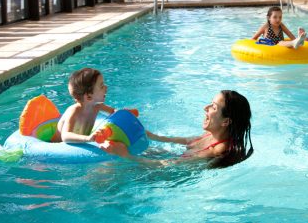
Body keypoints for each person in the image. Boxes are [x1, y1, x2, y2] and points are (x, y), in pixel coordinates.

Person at [100, 90, 254, 169]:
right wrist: (154, 136)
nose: (205, 108)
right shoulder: (212, 132)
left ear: (226, 121)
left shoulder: (218, 150)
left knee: (111, 169)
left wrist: (127, 157)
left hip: (170, 175)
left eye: (213, 107)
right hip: (177, 158)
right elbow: (189, 141)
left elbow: (172, 165)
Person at [53, 67, 115, 143]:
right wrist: (87, 138)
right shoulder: (74, 110)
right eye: (101, 86)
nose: (106, 87)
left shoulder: (97, 106)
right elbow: (65, 136)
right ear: (89, 96)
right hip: (57, 145)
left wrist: (127, 113)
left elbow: (114, 112)